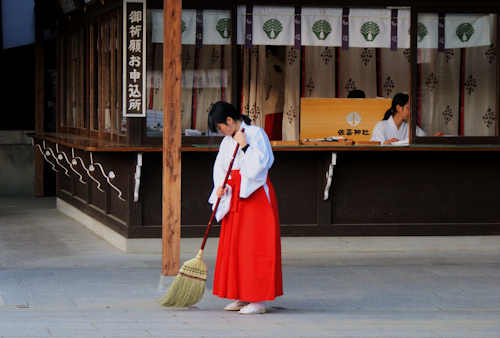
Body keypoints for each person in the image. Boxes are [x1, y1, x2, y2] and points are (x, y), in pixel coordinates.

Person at [207, 101, 283, 315]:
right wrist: (220, 186)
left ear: (230, 120)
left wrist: (245, 145)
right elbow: (220, 167)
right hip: (233, 194)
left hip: (254, 194)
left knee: (255, 246)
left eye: (221, 127)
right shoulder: (226, 142)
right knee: (236, 247)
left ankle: (257, 299)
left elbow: (262, 164)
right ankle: (241, 294)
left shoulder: (255, 134)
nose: (221, 132)